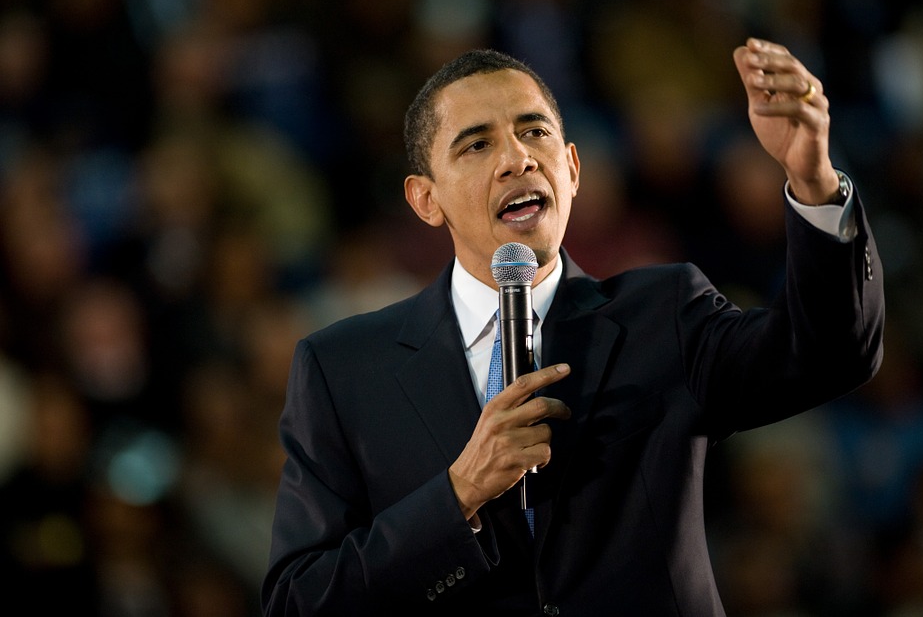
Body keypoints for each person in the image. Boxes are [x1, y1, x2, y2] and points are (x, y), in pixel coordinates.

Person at [261, 38, 884, 616]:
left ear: (573, 169)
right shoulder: (343, 368)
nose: (516, 158)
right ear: (426, 199)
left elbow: (831, 355)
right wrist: (457, 495)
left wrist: (813, 180)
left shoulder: (662, 312)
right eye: (477, 144)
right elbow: (299, 600)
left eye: (534, 132)